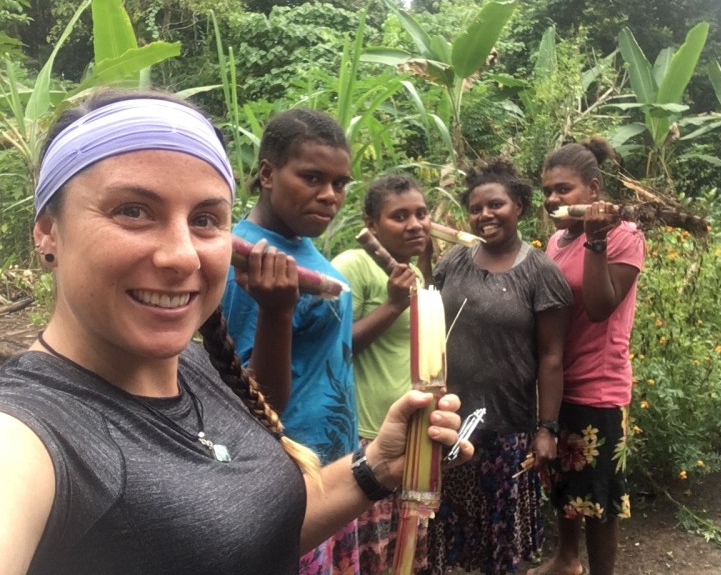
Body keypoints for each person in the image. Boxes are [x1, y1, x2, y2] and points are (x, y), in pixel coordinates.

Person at [0, 90, 472, 575]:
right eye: (133, 211)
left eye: (205, 219)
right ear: (47, 231)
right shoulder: (29, 436)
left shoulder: (197, 370)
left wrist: (377, 466)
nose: (183, 256)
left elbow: (253, 530)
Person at [220, 108, 361, 573]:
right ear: (267, 174)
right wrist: (276, 312)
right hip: (290, 478)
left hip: (333, 471)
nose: (330, 195)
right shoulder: (247, 262)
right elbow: (251, 402)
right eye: (312, 178)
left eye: (339, 183)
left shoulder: (301, 245)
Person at [426, 158, 573, 574]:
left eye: (496, 205)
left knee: (503, 546)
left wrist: (547, 429)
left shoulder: (540, 272)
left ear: (519, 207)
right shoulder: (454, 262)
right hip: (451, 422)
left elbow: (551, 356)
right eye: (476, 208)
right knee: (448, 537)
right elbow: (426, 319)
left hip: (508, 430)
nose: (485, 215)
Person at [533, 137, 646, 575]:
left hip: (599, 385)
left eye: (563, 189)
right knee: (564, 479)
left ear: (593, 190)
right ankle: (566, 558)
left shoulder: (624, 236)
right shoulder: (556, 240)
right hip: (558, 381)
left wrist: (596, 242)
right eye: (547, 191)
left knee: (600, 496)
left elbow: (601, 308)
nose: (552, 199)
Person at [331, 173, 432, 572]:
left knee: (402, 548)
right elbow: (335, 347)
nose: (415, 224)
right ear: (372, 225)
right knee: (367, 548)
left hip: (410, 432)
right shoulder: (352, 265)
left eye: (421, 213)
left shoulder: (413, 274)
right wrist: (392, 305)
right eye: (400, 216)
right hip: (366, 432)